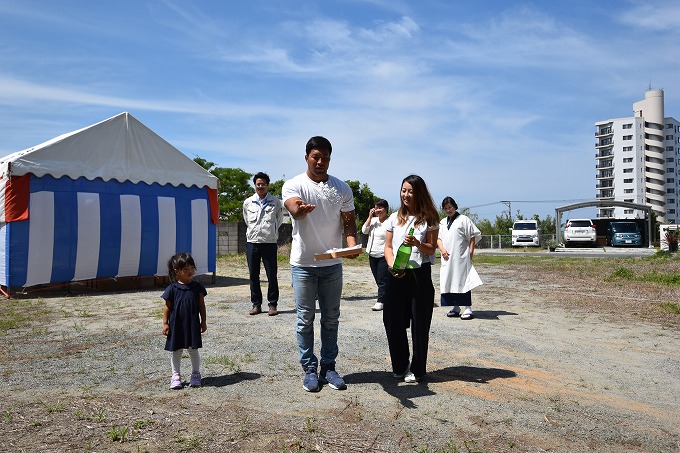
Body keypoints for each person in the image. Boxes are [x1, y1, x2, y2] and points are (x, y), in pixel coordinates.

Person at [282, 136, 360, 393]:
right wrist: (300, 209)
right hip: (303, 264)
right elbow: (293, 206)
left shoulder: (342, 188)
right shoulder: (294, 184)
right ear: (306, 157)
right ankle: (309, 369)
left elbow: (349, 224)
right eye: (316, 157)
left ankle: (329, 366)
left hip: (331, 264)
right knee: (305, 319)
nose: (320, 162)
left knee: (331, 318)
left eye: (325, 158)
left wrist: (350, 247)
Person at [383, 175, 439, 384]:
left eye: (411, 191)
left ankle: (417, 368)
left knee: (419, 322)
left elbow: (431, 249)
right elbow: (388, 247)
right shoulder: (394, 217)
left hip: (419, 275)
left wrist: (416, 242)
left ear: (419, 193)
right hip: (396, 273)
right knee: (391, 319)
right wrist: (391, 265)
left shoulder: (429, 218)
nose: (406, 195)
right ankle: (400, 365)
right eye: (403, 190)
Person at [162, 252, 207, 389]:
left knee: (193, 350)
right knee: (177, 351)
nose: (190, 271)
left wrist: (203, 321)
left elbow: (201, 305)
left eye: (192, 268)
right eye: (185, 269)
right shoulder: (172, 288)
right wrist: (165, 323)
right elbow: (167, 308)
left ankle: (195, 374)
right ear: (177, 271)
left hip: (192, 324)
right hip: (176, 325)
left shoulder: (197, 287)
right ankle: (175, 376)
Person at [243, 171, 284, 316]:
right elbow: (247, 220)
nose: (260, 186)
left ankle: (273, 305)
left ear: (267, 185)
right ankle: (256, 305)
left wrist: (270, 231)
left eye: (263, 184)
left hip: (269, 242)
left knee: (271, 274)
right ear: (255, 185)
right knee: (253, 275)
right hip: (252, 242)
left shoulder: (276, 202)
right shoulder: (248, 202)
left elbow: (278, 221)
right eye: (258, 184)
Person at [437, 197, 483, 320]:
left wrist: (471, 252)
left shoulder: (464, 220)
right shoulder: (442, 222)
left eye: (450, 207)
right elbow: (439, 238)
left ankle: (468, 308)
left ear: (455, 207)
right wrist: (442, 250)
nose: (448, 210)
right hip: (447, 257)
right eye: (446, 208)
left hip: (461, 257)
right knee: (450, 280)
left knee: (463, 281)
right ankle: (455, 307)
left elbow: (473, 235)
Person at [361, 198, 390, 311]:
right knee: (378, 279)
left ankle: (380, 301)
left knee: (382, 278)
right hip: (372, 254)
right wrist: (369, 217)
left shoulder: (389, 221)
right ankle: (387, 298)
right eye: (376, 208)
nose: (378, 210)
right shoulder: (373, 221)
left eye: (380, 208)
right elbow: (364, 230)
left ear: (386, 209)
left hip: (383, 254)